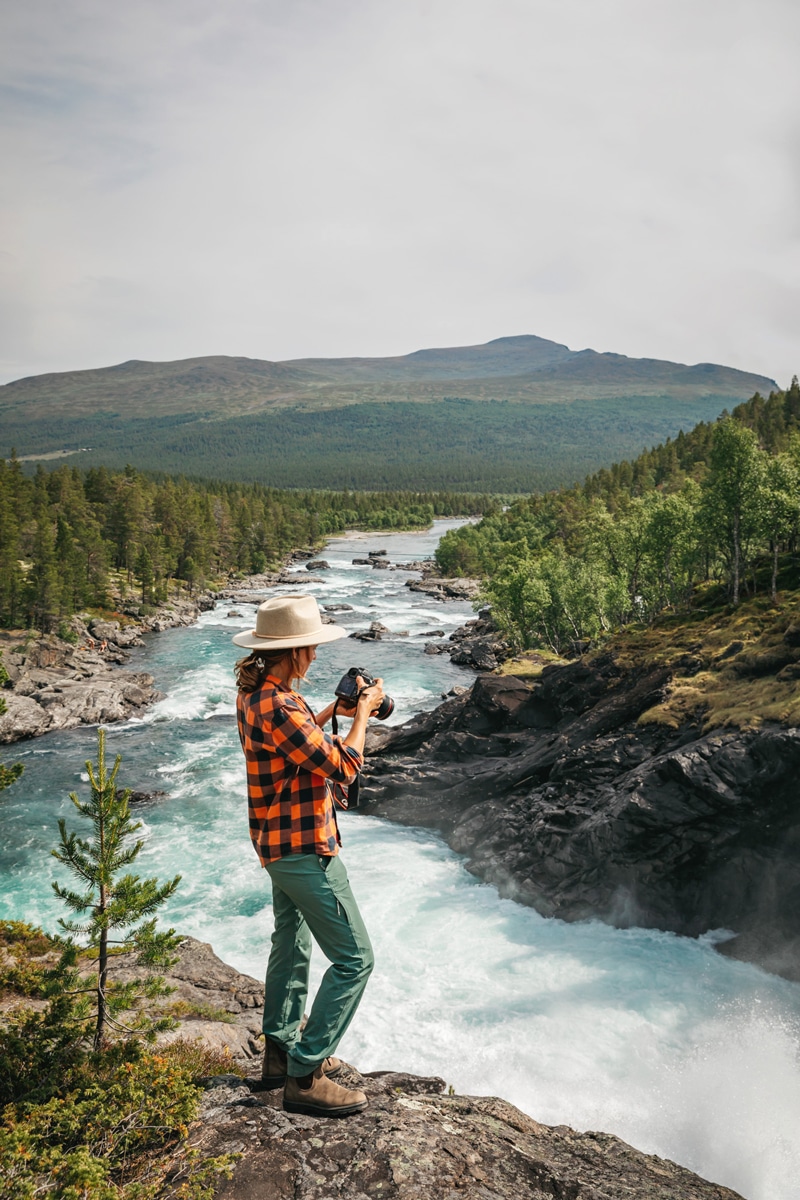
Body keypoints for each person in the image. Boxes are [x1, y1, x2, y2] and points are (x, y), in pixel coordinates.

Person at [233, 593, 385, 1118]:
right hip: (304, 847)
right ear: (294, 652)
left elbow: (293, 745)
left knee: (291, 940)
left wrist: (329, 712)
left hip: (274, 843)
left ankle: (277, 1053)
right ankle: (305, 1074)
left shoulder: (255, 697)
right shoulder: (281, 705)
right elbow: (342, 765)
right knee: (355, 959)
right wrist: (362, 714)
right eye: (312, 647)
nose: (316, 655)